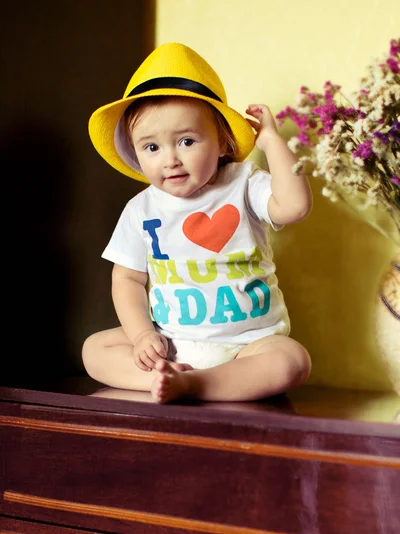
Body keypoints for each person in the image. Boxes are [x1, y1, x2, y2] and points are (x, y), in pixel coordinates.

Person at [82, 42, 313, 404]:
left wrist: (270, 141)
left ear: (222, 141)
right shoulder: (140, 209)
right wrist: (143, 336)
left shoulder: (243, 183)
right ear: (135, 152)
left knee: (292, 360)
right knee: (95, 349)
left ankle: (198, 384)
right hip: (171, 343)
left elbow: (294, 206)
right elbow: (127, 278)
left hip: (246, 346)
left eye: (186, 141)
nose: (170, 160)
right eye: (152, 148)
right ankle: (165, 378)